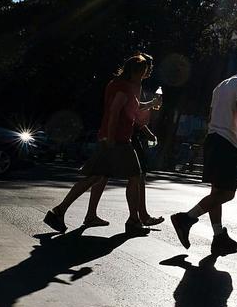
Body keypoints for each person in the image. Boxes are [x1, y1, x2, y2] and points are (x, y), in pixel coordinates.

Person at [44, 53, 161, 236]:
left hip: (113, 138)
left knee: (95, 176)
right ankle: (133, 221)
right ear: (137, 71)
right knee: (135, 176)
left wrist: (150, 104)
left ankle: (59, 212)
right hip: (117, 140)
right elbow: (114, 112)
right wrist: (111, 139)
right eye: (144, 71)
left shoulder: (120, 84)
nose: (146, 74)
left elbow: (132, 109)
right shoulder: (124, 87)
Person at [170, 59, 237, 255]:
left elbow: (211, 115)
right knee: (228, 193)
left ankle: (218, 237)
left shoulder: (221, 86)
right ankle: (186, 218)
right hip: (225, 142)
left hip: (213, 139)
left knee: (217, 193)